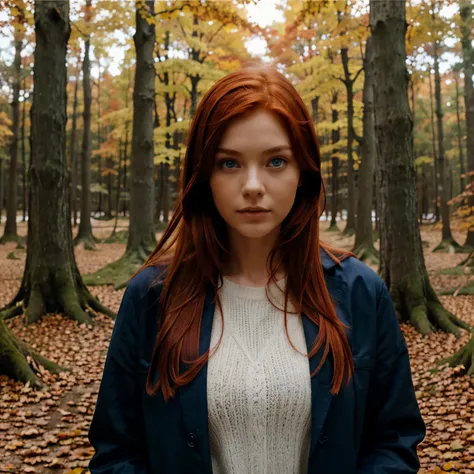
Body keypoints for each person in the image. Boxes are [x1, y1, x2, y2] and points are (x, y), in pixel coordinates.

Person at [88, 65, 425, 474]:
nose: (252, 185)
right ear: (204, 176)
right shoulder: (152, 296)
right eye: (229, 163)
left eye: (276, 161)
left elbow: (393, 440)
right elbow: (117, 451)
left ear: (303, 172)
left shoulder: (360, 292)